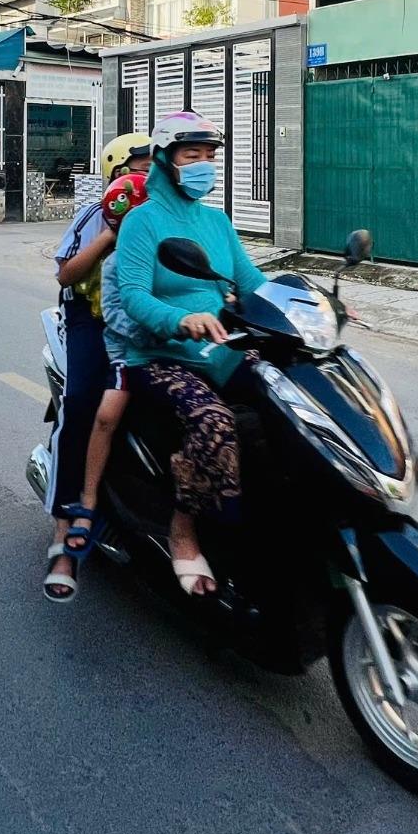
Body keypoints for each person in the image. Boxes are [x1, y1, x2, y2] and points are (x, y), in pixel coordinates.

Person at [112, 111, 266, 597]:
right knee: (214, 422)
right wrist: (181, 319)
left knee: (291, 399)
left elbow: (253, 283)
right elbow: (133, 296)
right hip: (160, 357)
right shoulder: (142, 221)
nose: (203, 164)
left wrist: (307, 305)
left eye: (209, 156)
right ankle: (183, 529)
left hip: (222, 350)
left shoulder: (217, 222)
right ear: (165, 161)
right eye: (191, 155)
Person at [42, 132, 153, 601]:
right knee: (84, 402)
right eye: (141, 168)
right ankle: (65, 530)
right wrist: (110, 233)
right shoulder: (95, 216)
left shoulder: (164, 217)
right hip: (90, 318)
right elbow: (66, 273)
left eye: (155, 168)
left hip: (144, 318)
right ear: (118, 175)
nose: (149, 176)